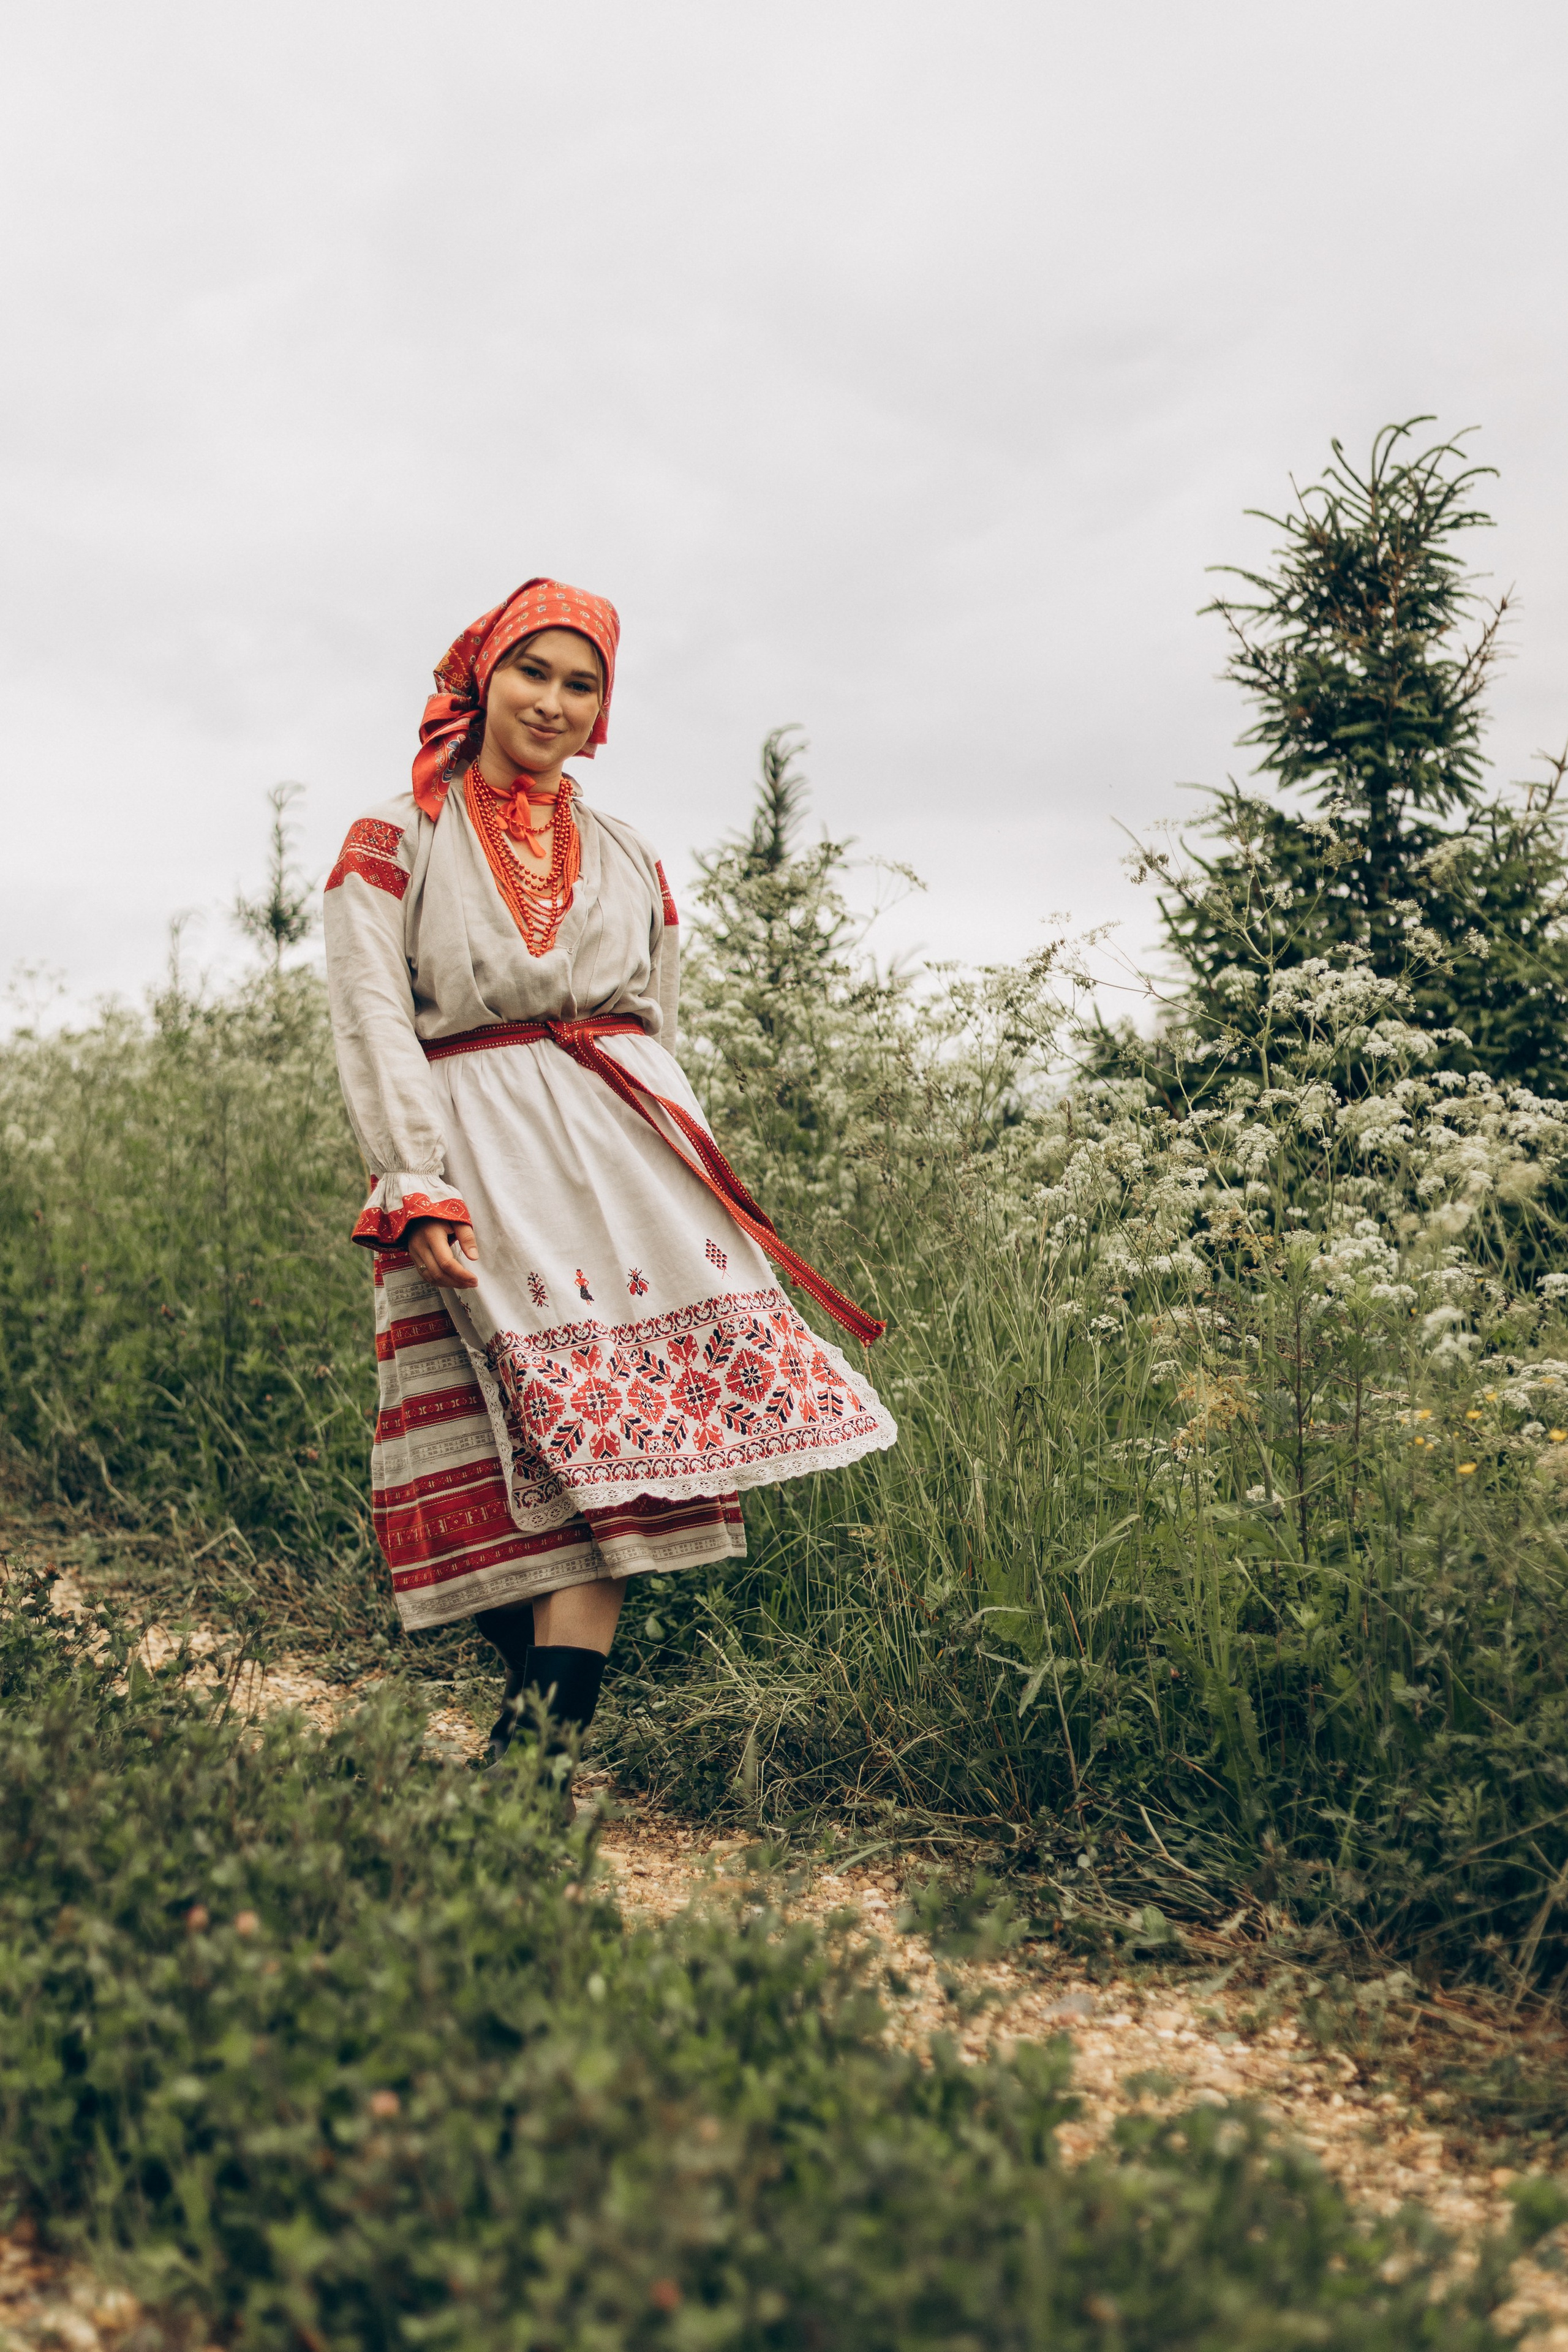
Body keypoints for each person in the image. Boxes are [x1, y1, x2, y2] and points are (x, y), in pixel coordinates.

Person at [323, 577, 897, 1779]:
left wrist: (673, 1162)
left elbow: (656, 1021)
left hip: (623, 1164)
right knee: (484, 1465)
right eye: (532, 671)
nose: (552, 701)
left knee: (609, 1476)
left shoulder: (629, 852)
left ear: (602, 710)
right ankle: (533, 1746)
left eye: (580, 684)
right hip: (474, 1158)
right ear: (481, 676)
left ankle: (527, 1779)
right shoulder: (395, 836)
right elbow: (373, 1017)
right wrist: (414, 1178)